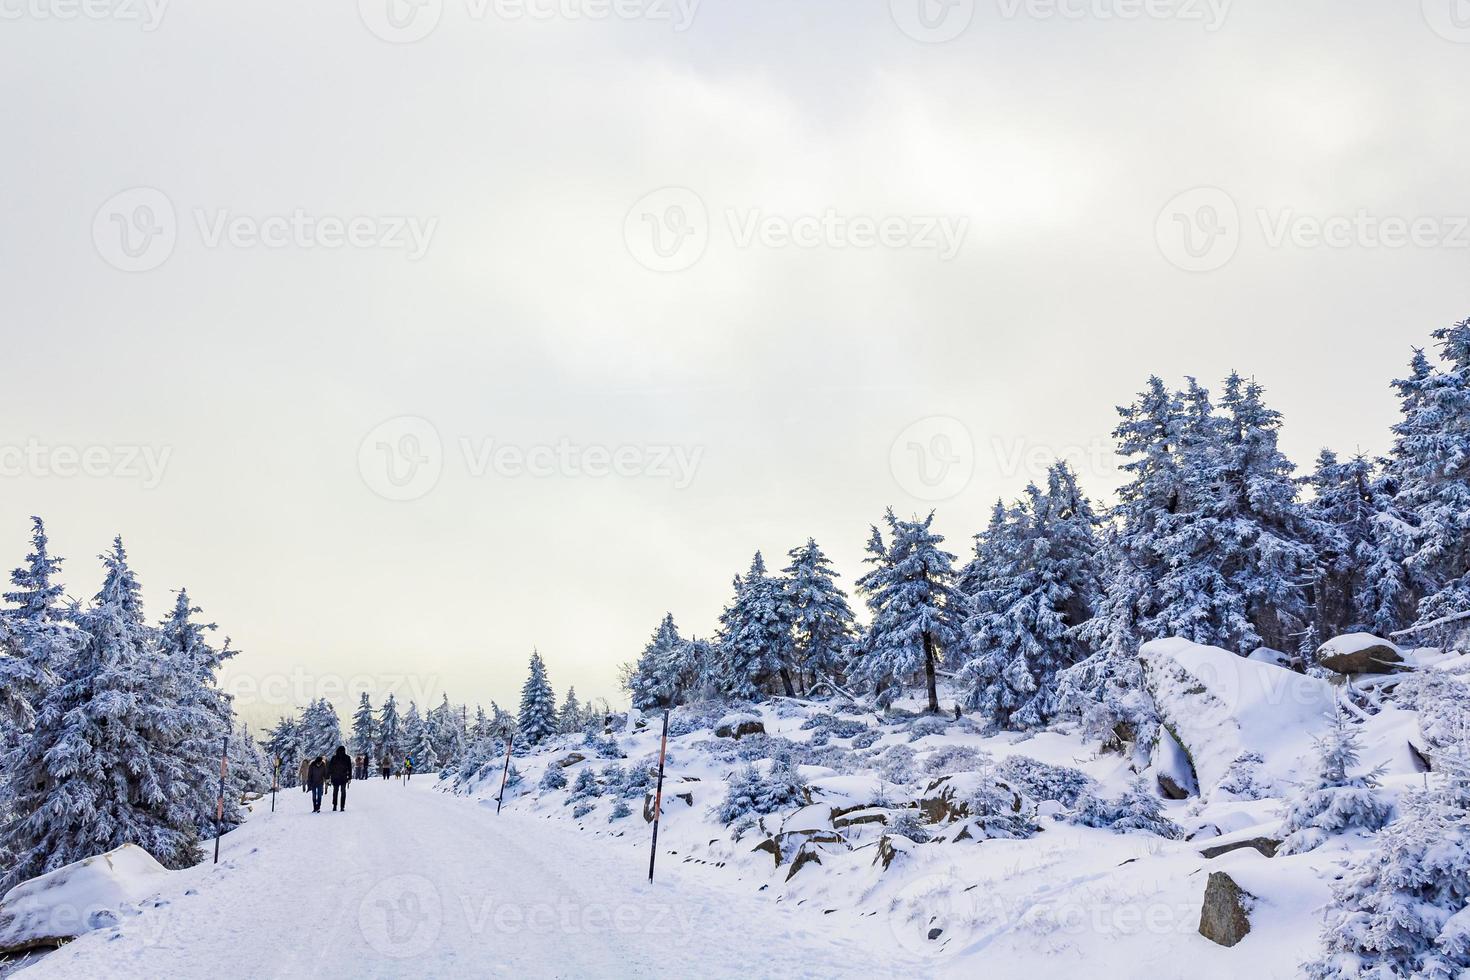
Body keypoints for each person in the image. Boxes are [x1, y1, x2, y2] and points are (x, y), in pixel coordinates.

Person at [328, 745, 353, 812]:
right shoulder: (347, 758)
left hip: (335, 777)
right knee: (343, 792)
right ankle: (342, 806)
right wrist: (350, 777)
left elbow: (330, 767)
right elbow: (350, 768)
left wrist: (329, 776)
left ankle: (334, 806)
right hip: (343, 777)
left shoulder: (334, 757)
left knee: (335, 792)